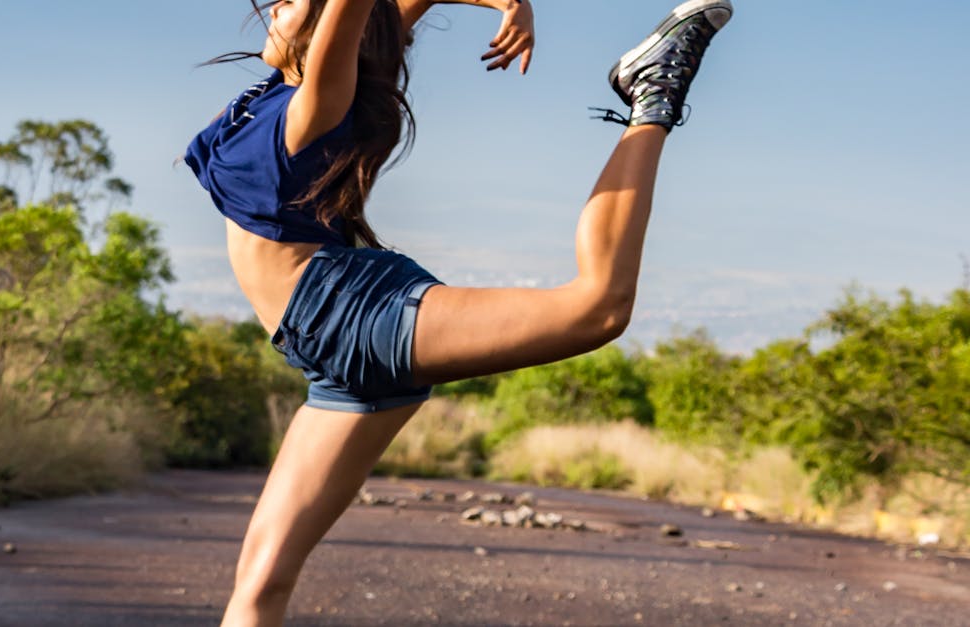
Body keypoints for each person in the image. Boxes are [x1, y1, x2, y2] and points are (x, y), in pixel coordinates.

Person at [183, 0, 733, 624]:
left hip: (351, 316)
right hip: (324, 356)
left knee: (599, 308)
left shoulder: (316, 103)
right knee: (260, 582)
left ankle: (652, 97)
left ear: (320, 36)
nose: (276, 6)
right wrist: (508, 3)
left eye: (293, 3)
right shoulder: (274, 89)